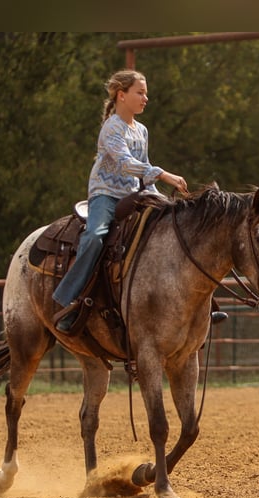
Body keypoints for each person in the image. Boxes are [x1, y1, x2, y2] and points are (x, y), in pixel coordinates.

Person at [53, 69, 227, 333]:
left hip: (138, 194)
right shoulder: (111, 127)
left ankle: (202, 304)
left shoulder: (142, 130)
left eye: (145, 93)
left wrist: (159, 193)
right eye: (140, 92)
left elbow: (142, 167)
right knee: (95, 236)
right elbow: (126, 164)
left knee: (177, 228)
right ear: (122, 95)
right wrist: (164, 174)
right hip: (106, 195)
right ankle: (69, 300)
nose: (146, 98)